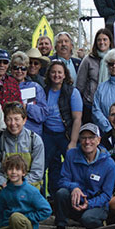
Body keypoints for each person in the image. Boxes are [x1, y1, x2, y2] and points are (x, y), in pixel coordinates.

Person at [0, 101, 46, 228]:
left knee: (26, 196)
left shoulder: (35, 140)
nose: (13, 124)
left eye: (17, 119)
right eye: (9, 119)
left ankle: (29, 224)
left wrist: (21, 185)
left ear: (24, 120)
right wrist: (6, 184)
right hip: (5, 185)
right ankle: (1, 224)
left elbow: (37, 172)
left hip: (28, 184)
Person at [53, 123, 115, 229]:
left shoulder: (109, 164)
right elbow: (62, 180)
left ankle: (101, 225)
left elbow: (107, 195)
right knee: (61, 193)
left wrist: (89, 204)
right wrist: (74, 188)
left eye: (91, 138)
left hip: (96, 204)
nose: (87, 142)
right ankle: (60, 227)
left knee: (88, 219)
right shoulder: (71, 155)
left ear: (99, 140)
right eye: (83, 138)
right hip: (75, 201)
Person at [0, 154, 52, 229]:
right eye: (10, 169)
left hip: (26, 226)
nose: (13, 172)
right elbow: (1, 212)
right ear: (6, 172)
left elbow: (46, 210)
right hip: (9, 226)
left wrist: (29, 217)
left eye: (17, 169)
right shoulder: (4, 192)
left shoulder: (31, 191)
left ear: (23, 173)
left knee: (16, 216)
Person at [42, 60, 83, 197]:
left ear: (65, 75)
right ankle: (48, 198)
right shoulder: (44, 90)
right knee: (48, 167)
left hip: (65, 134)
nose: (56, 75)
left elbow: (77, 119)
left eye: (60, 72)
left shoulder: (72, 92)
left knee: (72, 166)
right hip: (48, 134)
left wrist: (73, 142)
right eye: (53, 72)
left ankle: (72, 198)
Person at [76, 28, 114, 121]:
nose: (102, 42)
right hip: (90, 104)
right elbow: (80, 84)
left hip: (111, 105)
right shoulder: (88, 59)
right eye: (99, 40)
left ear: (110, 41)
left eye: (105, 39)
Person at [11, 50, 47, 135]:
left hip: (32, 134)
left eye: (23, 68)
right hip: (11, 134)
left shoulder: (35, 87)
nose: (19, 71)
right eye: (16, 68)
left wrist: (26, 107)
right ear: (11, 69)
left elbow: (42, 115)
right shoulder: (5, 86)